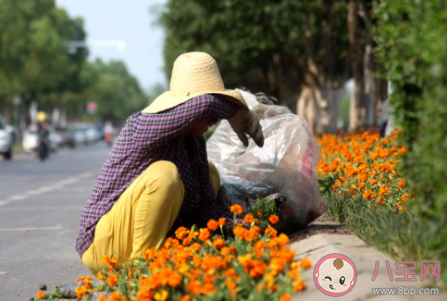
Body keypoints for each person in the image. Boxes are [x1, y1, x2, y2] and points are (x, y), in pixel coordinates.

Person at [76, 52, 264, 274]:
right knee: (164, 174)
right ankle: (142, 271)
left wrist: (249, 226)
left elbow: (206, 208)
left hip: (141, 239)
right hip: (103, 245)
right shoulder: (142, 126)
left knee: (212, 172)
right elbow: (203, 105)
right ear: (185, 106)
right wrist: (237, 110)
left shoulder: (195, 143)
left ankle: (160, 260)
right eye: (213, 113)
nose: (214, 120)